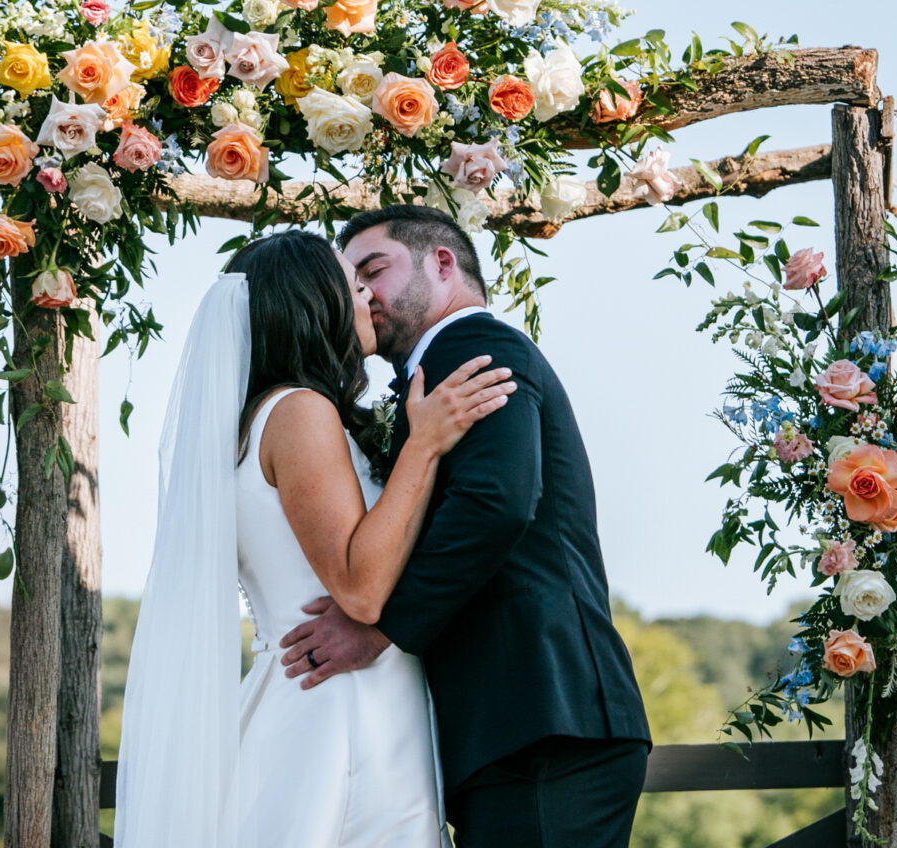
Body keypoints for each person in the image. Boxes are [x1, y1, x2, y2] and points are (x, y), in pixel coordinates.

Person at [114, 230, 515, 847]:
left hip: (332, 696)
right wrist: (426, 443)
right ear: (317, 304)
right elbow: (360, 590)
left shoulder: (261, 419)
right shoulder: (299, 410)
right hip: (339, 712)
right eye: (354, 287)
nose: (369, 301)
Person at [279, 205, 653, 848]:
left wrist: (383, 628)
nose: (364, 295)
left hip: (542, 715)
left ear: (443, 264)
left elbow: (496, 501)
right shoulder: (427, 376)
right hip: (514, 722)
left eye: (374, 270)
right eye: (355, 283)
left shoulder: (475, 347)